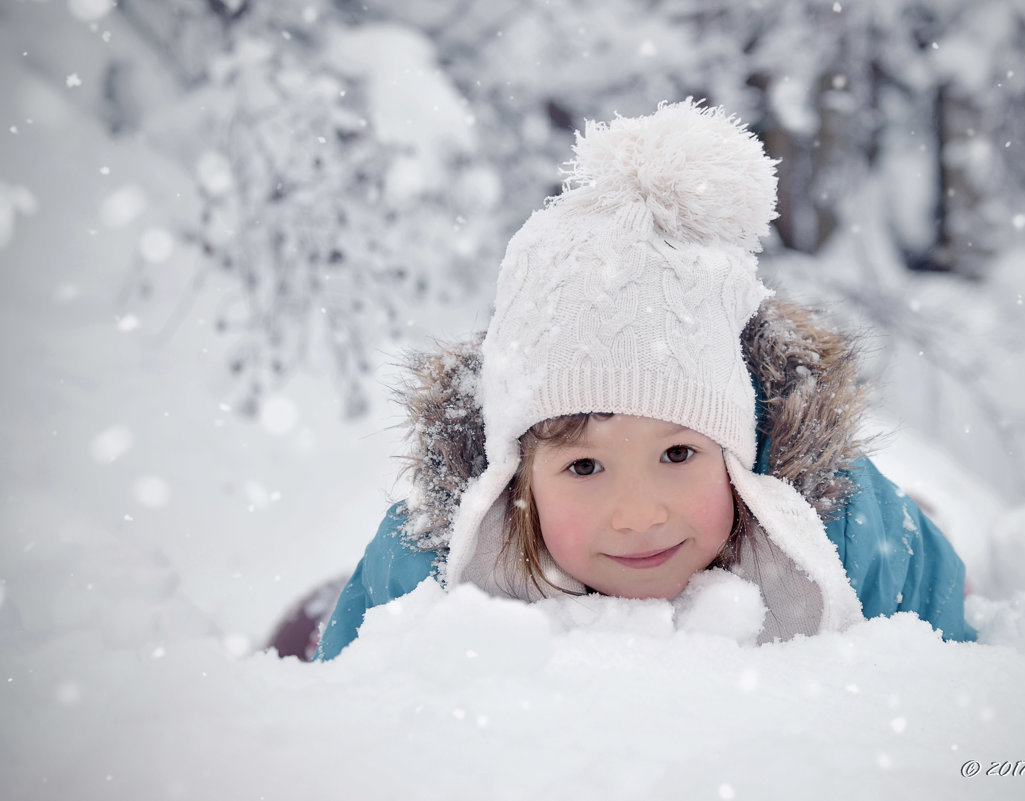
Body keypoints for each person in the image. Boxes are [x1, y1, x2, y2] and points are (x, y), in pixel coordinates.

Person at [314, 100, 975, 662]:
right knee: (303, 622)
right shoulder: (418, 570)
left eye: (678, 452)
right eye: (583, 466)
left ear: (736, 449)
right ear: (517, 476)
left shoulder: (854, 531)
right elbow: (347, 716)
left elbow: (945, 666)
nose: (639, 514)